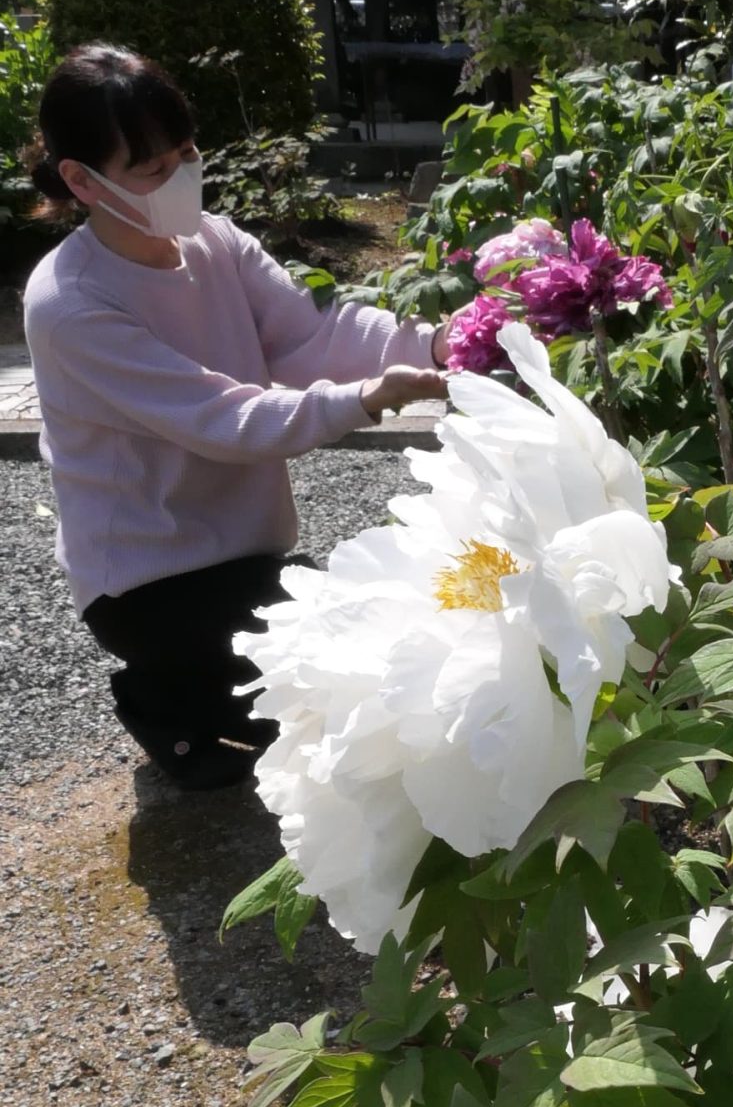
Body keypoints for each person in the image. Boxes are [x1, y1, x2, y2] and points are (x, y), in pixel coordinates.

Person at [24, 43, 452, 789]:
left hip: (246, 553)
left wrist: (441, 340)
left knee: (334, 674)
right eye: (151, 169)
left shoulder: (213, 241)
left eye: (186, 154)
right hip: (146, 579)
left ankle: (207, 677)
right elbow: (223, 421)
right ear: (80, 181)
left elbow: (313, 332)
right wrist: (367, 398)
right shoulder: (71, 303)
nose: (178, 177)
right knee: (309, 711)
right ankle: (158, 698)